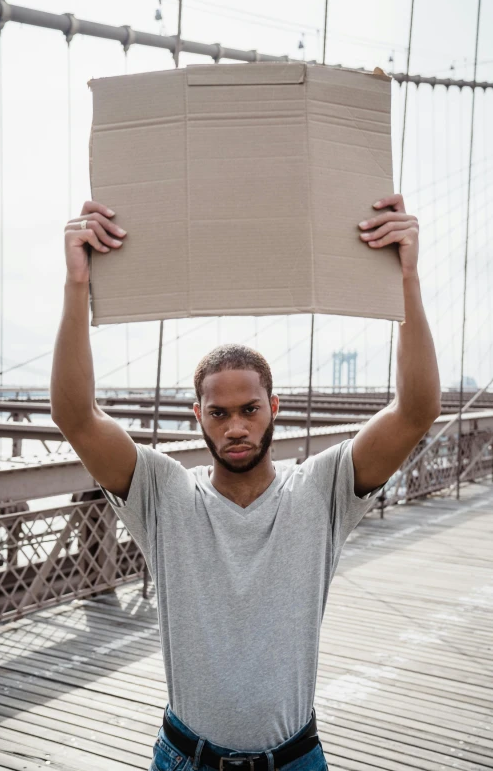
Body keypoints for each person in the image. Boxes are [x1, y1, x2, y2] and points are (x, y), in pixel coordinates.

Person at [51, 194, 441, 771]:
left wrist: (406, 278)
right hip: (187, 759)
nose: (236, 427)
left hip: (295, 759)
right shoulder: (164, 494)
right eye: (219, 413)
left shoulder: (321, 489)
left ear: (273, 406)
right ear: (198, 415)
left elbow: (415, 412)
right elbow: (76, 416)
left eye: (250, 409)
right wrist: (76, 284)